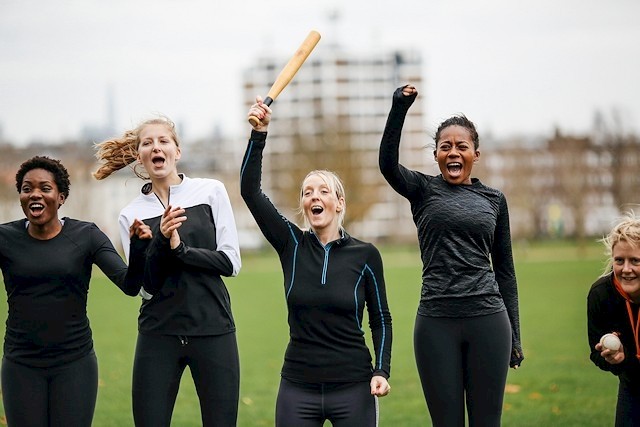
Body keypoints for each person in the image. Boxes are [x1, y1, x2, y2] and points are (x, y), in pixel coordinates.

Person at [240, 97, 392, 427]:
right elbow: (250, 191)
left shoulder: (365, 255)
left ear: (339, 203)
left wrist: (381, 370)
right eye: (307, 192)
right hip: (298, 387)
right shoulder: (290, 244)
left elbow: (380, 319)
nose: (314, 197)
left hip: (354, 387)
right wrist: (259, 134)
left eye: (323, 191)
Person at [379, 85, 524, 426]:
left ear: (476, 153)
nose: (453, 152)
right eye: (445, 147)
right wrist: (400, 107)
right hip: (436, 323)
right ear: (436, 155)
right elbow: (387, 165)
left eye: (462, 146)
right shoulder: (422, 190)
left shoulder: (494, 200)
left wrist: (515, 335)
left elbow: (505, 270)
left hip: (488, 320)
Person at [93, 116, 242, 427]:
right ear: (139, 156)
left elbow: (230, 263)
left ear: (177, 151)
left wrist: (180, 250)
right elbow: (146, 287)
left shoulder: (210, 191)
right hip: (158, 333)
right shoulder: (131, 214)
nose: (155, 147)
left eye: (163, 141)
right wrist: (158, 241)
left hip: (213, 329)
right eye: (147, 143)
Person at [0, 155, 150, 427]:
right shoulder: (4, 238)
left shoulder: (86, 236)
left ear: (61, 197)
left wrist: (138, 249)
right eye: (27, 188)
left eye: (45, 188)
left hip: (74, 364)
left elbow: (130, 285)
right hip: (20, 365)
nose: (35, 194)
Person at [587, 212, 640, 425]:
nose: (626, 269)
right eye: (619, 260)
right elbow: (595, 352)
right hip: (632, 384)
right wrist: (616, 360)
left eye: (635, 261)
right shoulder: (601, 294)